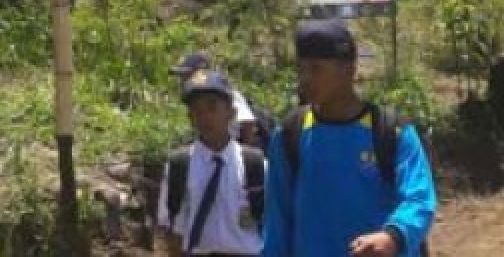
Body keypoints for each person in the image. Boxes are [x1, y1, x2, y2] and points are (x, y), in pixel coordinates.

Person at [263, 20, 437, 257]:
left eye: (316, 69)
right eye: (301, 69)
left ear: (348, 69)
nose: (305, 78)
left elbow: (419, 197)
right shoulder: (288, 136)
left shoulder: (391, 132)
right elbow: (277, 220)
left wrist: (393, 236)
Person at [157, 69, 264, 257]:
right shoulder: (180, 165)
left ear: (231, 112)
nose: (205, 117)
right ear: (190, 118)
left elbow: (276, 224)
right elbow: (172, 229)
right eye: (197, 111)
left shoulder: (254, 165)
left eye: (212, 107)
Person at [170, 52, 267, 148]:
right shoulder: (191, 98)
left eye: (186, 75)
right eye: (181, 76)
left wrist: (244, 153)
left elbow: (248, 124)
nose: (182, 79)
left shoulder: (226, 95)